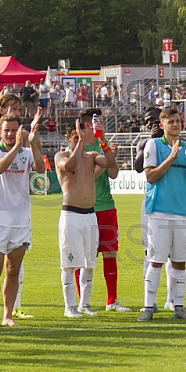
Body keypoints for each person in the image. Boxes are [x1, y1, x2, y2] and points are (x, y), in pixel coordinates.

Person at [0, 94, 36, 322]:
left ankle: (8, 314)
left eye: (18, 108)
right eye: (7, 130)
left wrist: (34, 139)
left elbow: (40, 168)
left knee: (13, 270)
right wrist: (18, 145)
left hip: (21, 219)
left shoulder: (26, 149)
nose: (10, 133)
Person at [138, 108, 186, 322]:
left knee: (180, 262)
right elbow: (151, 177)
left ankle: (179, 307)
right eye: (171, 121)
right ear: (162, 125)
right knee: (155, 261)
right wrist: (171, 158)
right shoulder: (153, 145)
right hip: (160, 212)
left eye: (178, 121)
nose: (175, 124)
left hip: (182, 212)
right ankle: (147, 306)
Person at [55, 119, 116, 317]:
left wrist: (104, 143)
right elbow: (70, 166)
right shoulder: (61, 156)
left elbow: (110, 163)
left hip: (90, 215)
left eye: (81, 135)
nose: (79, 139)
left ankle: (85, 304)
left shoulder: (91, 156)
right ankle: (69, 306)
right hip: (71, 214)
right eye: (75, 136)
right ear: (68, 138)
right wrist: (80, 143)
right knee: (70, 262)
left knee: (90, 263)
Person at [78, 108, 131, 312]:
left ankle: (112, 301)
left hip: (107, 206)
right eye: (96, 122)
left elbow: (114, 174)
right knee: (85, 258)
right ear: (87, 125)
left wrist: (111, 157)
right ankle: (83, 302)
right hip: (87, 209)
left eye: (101, 121)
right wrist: (106, 156)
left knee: (111, 253)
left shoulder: (103, 146)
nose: (100, 125)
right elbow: (87, 176)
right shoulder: (79, 148)